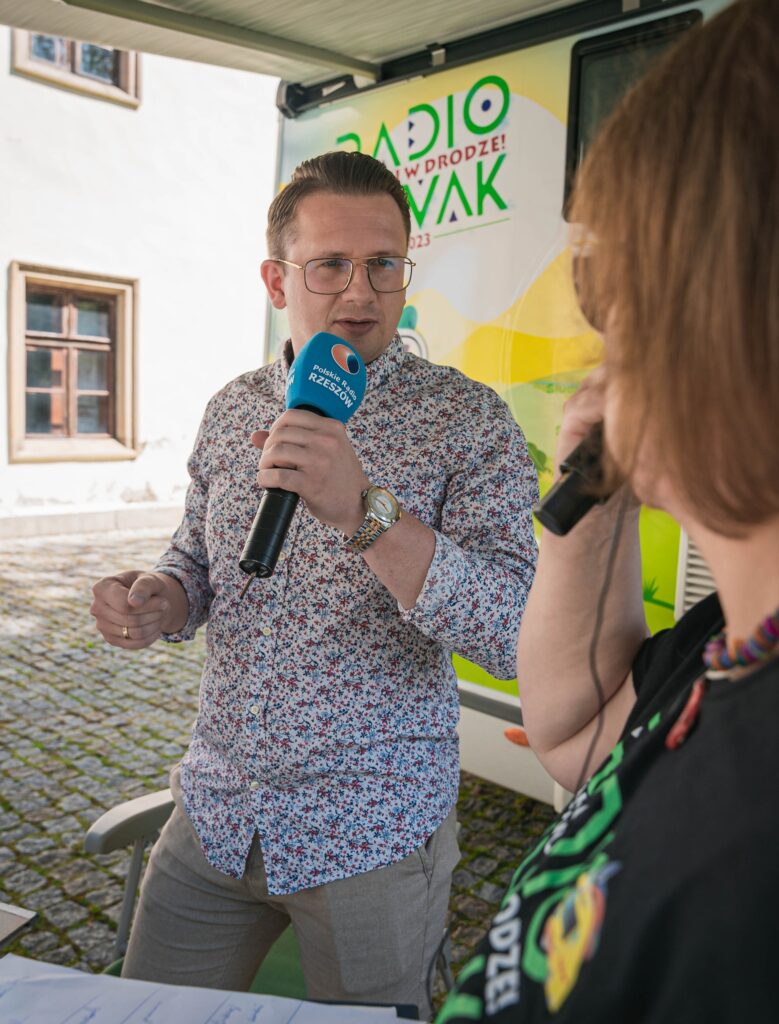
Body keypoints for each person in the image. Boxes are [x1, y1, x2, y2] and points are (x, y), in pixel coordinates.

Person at [90, 151, 538, 1019]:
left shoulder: (466, 419)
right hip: (217, 811)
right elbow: (195, 560)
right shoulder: (231, 407)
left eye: (383, 264)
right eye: (329, 264)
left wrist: (363, 513)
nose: (360, 293)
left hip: (370, 832)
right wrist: (158, 596)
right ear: (276, 279)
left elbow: (512, 632)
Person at [437, 0, 779, 1020]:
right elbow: (574, 737)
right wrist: (590, 506)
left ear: (708, 315)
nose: (599, 351)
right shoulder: (732, 638)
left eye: (609, 299)